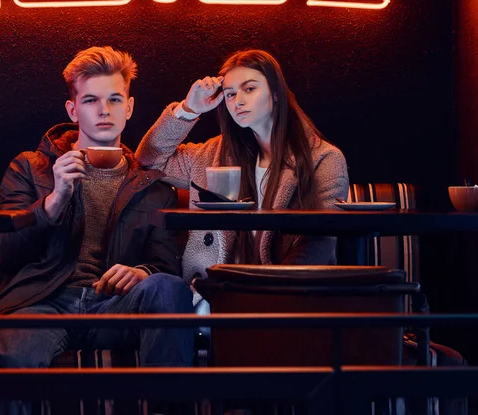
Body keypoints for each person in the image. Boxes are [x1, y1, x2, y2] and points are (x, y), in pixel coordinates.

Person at [0, 46, 194, 414]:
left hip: (114, 305)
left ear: (129, 107)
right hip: (43, 304)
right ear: (73, 110)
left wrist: (142, 272)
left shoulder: (152, 185)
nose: (104, 110)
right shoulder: (30, 168)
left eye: (115, 99)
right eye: (91, 100)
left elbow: (164, 266)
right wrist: (55, 199)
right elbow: (4, 253)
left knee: (168, 288)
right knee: (12, 353)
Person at [135, 49, 349, 294]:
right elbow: (150, 158)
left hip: (286, 300)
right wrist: (189, 109)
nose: (238, 101)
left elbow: (320, 241)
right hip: (209, 294)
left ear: (276, 93)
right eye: (230, 94)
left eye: (249, 89)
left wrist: (273, 296)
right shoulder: (213, 154)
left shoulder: (323, 158)